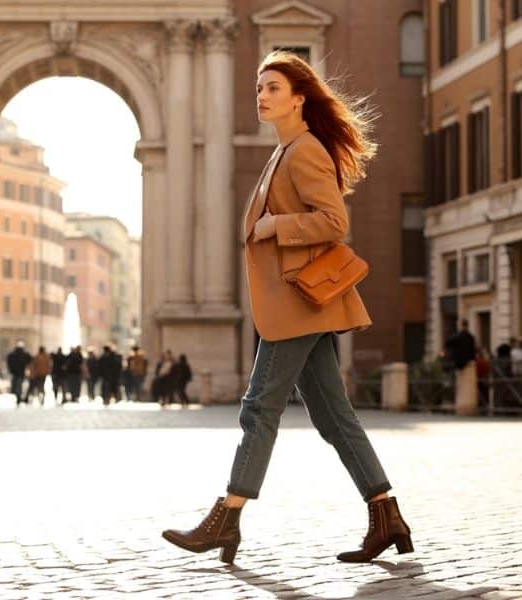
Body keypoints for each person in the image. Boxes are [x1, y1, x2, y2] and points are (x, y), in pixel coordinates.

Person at [162, 51, 412, 565]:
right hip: (299, 304)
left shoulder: (303, 151)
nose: (261, 95)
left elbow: (333, 222)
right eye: (258, 87)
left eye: (272, 87)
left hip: (297, 304)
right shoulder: (284, 151)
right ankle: (386, 515)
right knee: (334, 417)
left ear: (299, 98)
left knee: (258, 408)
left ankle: (225, 520)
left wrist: (278, 227)